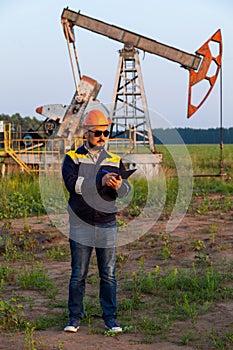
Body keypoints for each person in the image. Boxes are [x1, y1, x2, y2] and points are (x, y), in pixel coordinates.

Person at [62, 109, 131, 333]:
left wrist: (120, 187)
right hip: (80, 224)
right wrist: (100, 180)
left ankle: (110, 319)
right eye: (97, 132)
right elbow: (73, 185)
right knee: (78, 274)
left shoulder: (114, 160)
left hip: (106, 224)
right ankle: (74, 318)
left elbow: (126, 192)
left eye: (106, 132)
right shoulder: (72, 158)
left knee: (108, 275)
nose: (102, 137)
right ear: (86, 133)